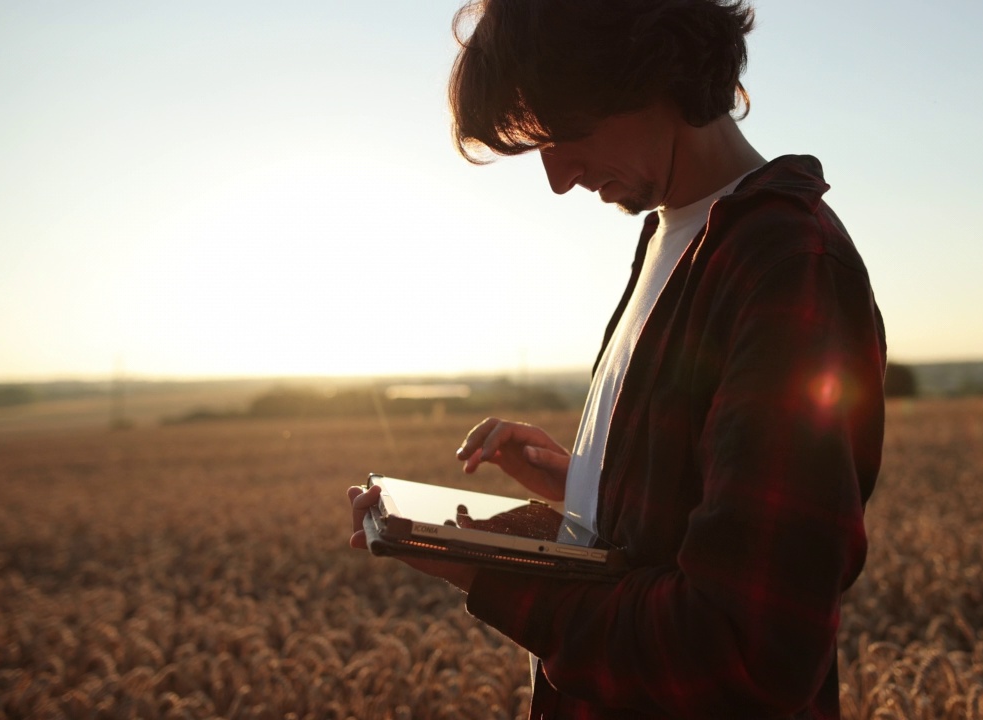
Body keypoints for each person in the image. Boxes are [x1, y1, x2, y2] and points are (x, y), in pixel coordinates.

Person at [349, 0, 887, 717]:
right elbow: (685, 532)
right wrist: (582, 490)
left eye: (563, 133)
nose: (558, 177)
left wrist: (480, 570)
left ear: (651, 70)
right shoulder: (674, 235)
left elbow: (741, 650)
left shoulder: (786, 265)